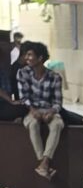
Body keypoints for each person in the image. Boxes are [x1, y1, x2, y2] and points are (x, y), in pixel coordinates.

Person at [15, 39, 64, 177]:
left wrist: (52, 112)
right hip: (31, 110)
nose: (27, 58)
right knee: (33, 124)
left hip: (49, 110)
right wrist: (32, 110)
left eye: (30, 55)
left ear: (40, 58)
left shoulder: (55, 77)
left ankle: (45, 162)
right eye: (26, 55)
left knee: (57, 124)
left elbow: (58, 102)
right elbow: (24, 97)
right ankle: (43, 162)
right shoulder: (22, 73)